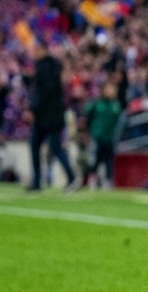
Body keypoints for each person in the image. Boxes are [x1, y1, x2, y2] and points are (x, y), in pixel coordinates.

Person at [27, 44, 77, 191]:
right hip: (53, 115)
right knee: (47, 146)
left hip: (46, 115)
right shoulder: (53, 66)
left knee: (44, 146)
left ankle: (40, 180)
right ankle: (68, 176)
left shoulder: (44, 67)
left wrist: (33, 108)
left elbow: (42, 92)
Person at [82, 81, 123, 188]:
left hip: (110, 138)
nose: (112, 92)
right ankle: (90, 179)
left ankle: (108, 181)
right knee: (94, 160)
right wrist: (86, 133)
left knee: (109, 161)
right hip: (97, 136)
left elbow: (118, 123)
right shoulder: (96, 104)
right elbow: (86, 118)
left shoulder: (116, 105)